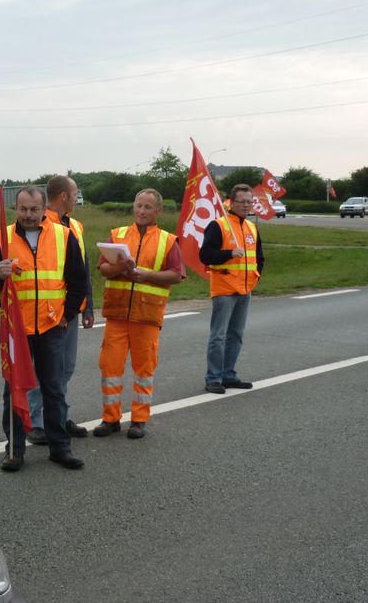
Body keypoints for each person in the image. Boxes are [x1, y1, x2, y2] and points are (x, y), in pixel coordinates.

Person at [0, 186, 88, 472]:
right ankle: (14, 451)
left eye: (34, 209)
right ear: (16, 208)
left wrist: (66, 315)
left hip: (52, 326)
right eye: (23, 209)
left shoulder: (63, 236)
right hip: (17, 330)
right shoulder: (0, 238)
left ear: (44, 209)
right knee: (14, 390)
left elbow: (80, 280)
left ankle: (60, 448)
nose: (28, 215)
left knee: (54, 389)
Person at [93, 188, 185, 439]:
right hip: (117, 313)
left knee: (144, 370)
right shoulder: (117, 234)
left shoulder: (168, 240)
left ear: (158, 211)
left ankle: (139, 420)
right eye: (138, 205)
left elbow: (177, 274)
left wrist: (145, 274)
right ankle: (110, 419)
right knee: (110, 368)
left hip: (147, 315)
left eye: (147, 207)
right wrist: (120, 266)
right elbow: (102, 269)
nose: (141, 211)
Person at [26, 175, 95, 446]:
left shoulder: (75, 226)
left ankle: (59, 415)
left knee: (65, 368)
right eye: (75, 193)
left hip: (69, 309)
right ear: (64, 196)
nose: (77, 198)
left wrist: (87, 304)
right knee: (41, 369)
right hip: (46, 311)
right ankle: (36, 422)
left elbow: (83, 270)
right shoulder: (41, 223)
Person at [199, 183, 264, 393]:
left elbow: (259, 257)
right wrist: (228, 254)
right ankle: (214, 378)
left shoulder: (252, 227)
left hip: (245, 288)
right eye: (242, 201)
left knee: (236, 334)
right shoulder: (218, 225)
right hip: (225, 288)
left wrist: (256, 276)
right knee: (218, 336)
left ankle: (229, 375)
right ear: (231, 202)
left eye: (249, 201)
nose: (246, 205)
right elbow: (205, 255)